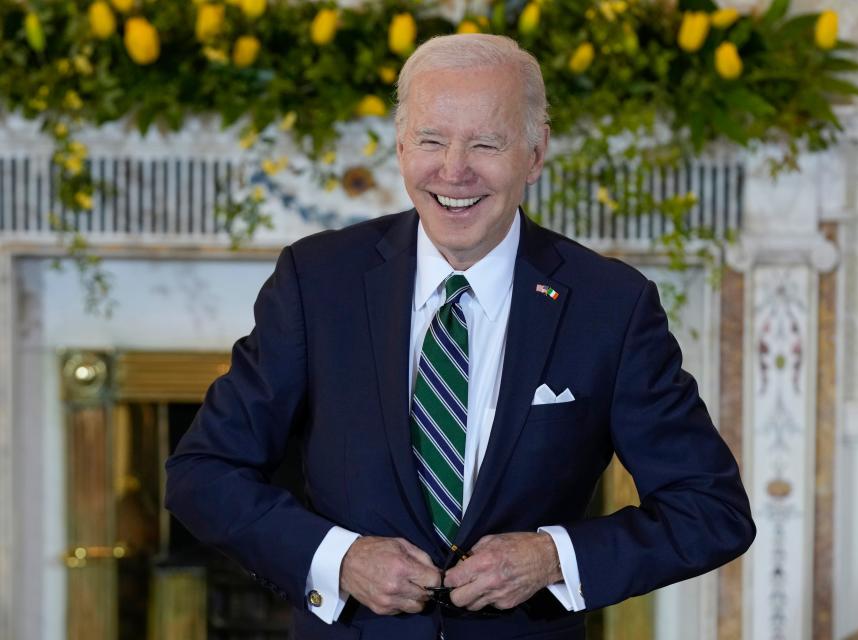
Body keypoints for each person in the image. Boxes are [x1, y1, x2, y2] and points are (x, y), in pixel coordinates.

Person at [165, 33, 755, 640]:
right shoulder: (316, 283)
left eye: (485, 143)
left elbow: (711, 511)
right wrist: (338, 560)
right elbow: (203, 472)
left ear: (535, 153)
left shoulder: (611, 306)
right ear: (399, 147)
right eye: (431, 140)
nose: (453, 170)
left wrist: (550, 558)